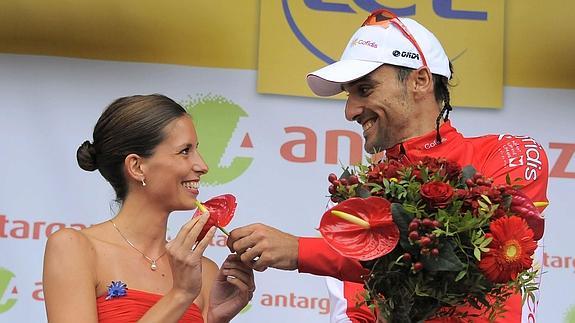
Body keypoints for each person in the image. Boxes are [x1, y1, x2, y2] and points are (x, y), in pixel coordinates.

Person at [226, 9, 549, 323]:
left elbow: (467, 255)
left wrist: (302, 252)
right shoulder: (364, 191)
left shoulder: (509, 153)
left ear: (420, 80)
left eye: (365, 89)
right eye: (349, 95)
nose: (351, 111)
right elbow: (357, 308)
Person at [43, 94, 255, 323]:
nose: (202, 166)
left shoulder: (205, 272)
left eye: (196, 150)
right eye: (185, 151)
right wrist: (180, 294)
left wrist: (215, 318)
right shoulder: (75, 248)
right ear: (137, 166)